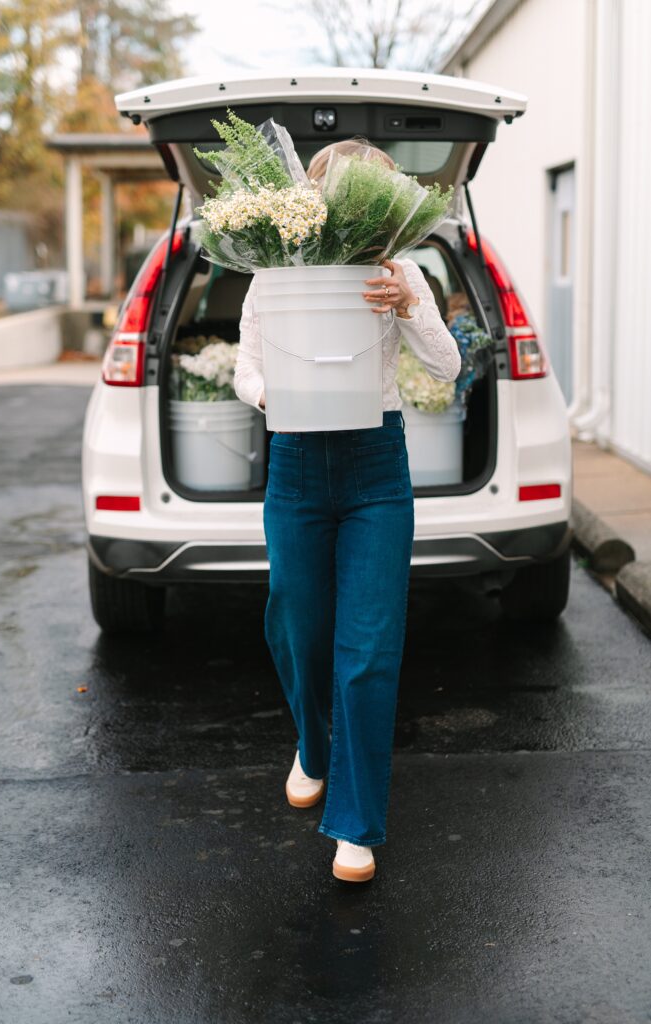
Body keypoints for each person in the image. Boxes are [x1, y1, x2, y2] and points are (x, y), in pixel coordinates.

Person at [233, 137, 462, 883]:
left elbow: (447, 366)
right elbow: (246, 368)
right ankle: (312, 744)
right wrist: (271, 396)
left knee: (367, 650)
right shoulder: (274, 274)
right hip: (296, 463)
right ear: (316, 200)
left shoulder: (400, 273)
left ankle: (356, 825)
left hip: (374, 471)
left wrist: (410, 304)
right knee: (298, 626)